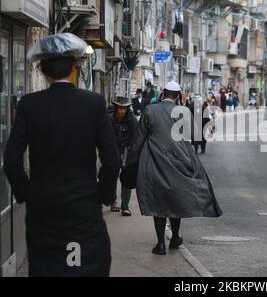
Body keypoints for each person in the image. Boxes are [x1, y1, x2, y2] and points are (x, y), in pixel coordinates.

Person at [3, 33, 120, 276]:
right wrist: (104, 194)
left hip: (43, 209)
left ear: (43, 70)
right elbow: (112, 158)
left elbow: (12, 159)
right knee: (85, 263)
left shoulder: (29, 104)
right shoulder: (94, 103)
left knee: (48, 265)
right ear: (75, 66)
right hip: (84, 207)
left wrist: (26, 193)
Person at [125, 81, 223, 255]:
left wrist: (131, 162)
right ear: (178, 96)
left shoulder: (150, 110)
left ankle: (160, 244)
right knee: (175, 201)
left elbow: (138, 139)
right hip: (180, 162)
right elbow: (194, 135)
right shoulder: (184, 111)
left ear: (163, 93)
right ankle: (175, 237)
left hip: (154, 162)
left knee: (159, 202)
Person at [111, 97, 138, 216]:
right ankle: (112, 201)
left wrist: (133, 151)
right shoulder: (110, 118)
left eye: (124, 108)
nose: (122, 111)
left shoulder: (132, 119)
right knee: (112, 177)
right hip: (113, 151)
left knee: (126, 179)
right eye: (120, 108)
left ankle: (125, 206)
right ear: (116, 108)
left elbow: (137, 136)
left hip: (127, 151)